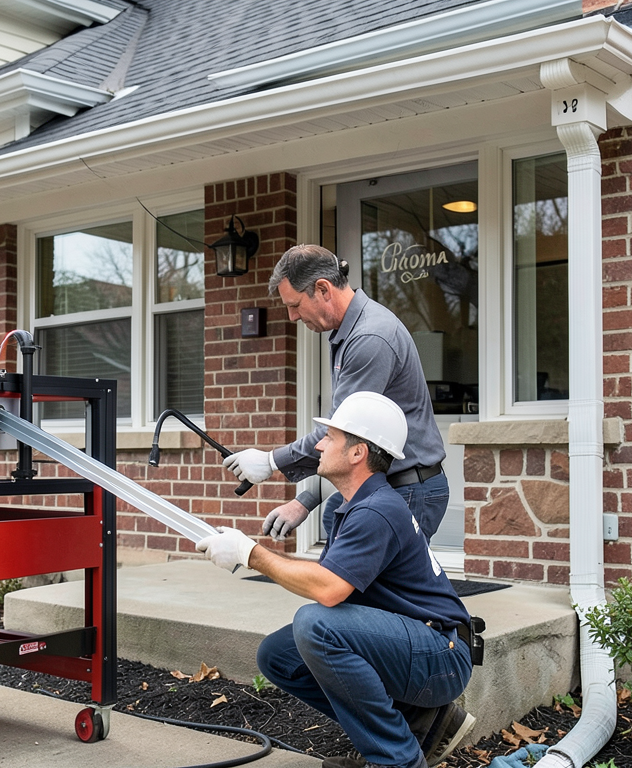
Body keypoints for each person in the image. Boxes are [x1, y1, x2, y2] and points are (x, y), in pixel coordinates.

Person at [198, 391, 475, 768]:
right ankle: (417, 724)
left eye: (330, 437)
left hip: (440, 654)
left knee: (316, 625)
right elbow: (330, 582)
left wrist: (251, 555)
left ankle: (396, 760)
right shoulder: (352, 505)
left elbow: (328, 590)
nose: (321, 445)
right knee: (279, 656)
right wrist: (250, 553)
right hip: (420, 643)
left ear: (358, 453)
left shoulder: (376, 511)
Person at [222, 244, 449, 542]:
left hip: (408, 489)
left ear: (323, 289)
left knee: (364, 586)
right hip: (383, 484)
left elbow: (342, 433)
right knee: (339, 535)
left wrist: (270, 462)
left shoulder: (370, 337)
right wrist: (304, 501)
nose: (291, 317)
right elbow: (346, 444)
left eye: (295, 304)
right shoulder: (351, 332)